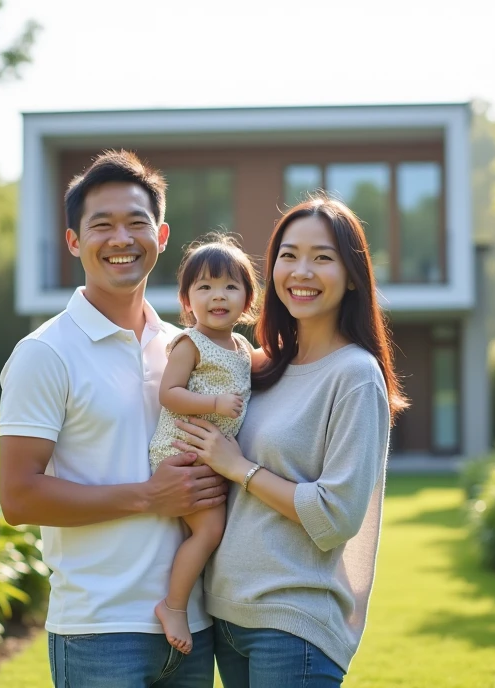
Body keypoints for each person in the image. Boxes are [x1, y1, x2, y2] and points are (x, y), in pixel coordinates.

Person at [0, 150, 226, 688]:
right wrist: (149, 496)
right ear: (75, 242)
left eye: (136, 223)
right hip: (99, 632)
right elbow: (19, 497)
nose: (121, 239)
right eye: (102, 225)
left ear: (162, 235)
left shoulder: (183, 347)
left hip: (192, 628)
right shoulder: (45, 352)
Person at [173, 195, 409, 687]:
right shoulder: (257, 365)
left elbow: (337, 514)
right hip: (227, 617)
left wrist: (240, 468)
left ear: (352, 275)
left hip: (293, 626)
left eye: (322, 257)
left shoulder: (354, 375)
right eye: (288, 255)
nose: (301, 271)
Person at [148, 234, 261, 655]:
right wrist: (213, 402)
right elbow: (170, 393)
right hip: (182, 453)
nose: (218, 296)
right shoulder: (189, 343)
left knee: (212, 528)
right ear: (186, 299)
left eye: (230, 287)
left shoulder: (241, 348)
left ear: (247, 299)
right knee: (210, 529)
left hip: (211, 457)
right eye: (205, 287)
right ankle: (173, 605)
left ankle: (197, 599)